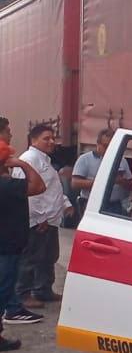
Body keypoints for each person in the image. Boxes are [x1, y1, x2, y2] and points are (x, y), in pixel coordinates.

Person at [16, 123, 73, 309]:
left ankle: (43, 289)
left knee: (49, 256)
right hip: (37, 219)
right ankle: (23, 293)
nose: (51, 142)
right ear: (33, 140)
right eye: (46, 138)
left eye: (52, 138)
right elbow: (25, 192)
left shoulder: (45, 160)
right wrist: (38, 217)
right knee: (31, 257)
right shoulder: (29, 160)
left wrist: (65, 204)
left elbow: (52, 189)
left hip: (50, 218)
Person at [0, 131, 48, 345]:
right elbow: (39, 186)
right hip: (6, 247)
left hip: (6, 245)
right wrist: (23, 165)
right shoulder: (7, 186)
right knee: (3, 290)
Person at [72, 129, 132, 217]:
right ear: (98, 144)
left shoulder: (122, 160)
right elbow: (75, 183)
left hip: (115, 205)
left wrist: (121, 181)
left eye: (112, 146)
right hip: (91, 203)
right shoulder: (85, 159)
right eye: (105, 146)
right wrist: (103, 182)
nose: (108, 149)